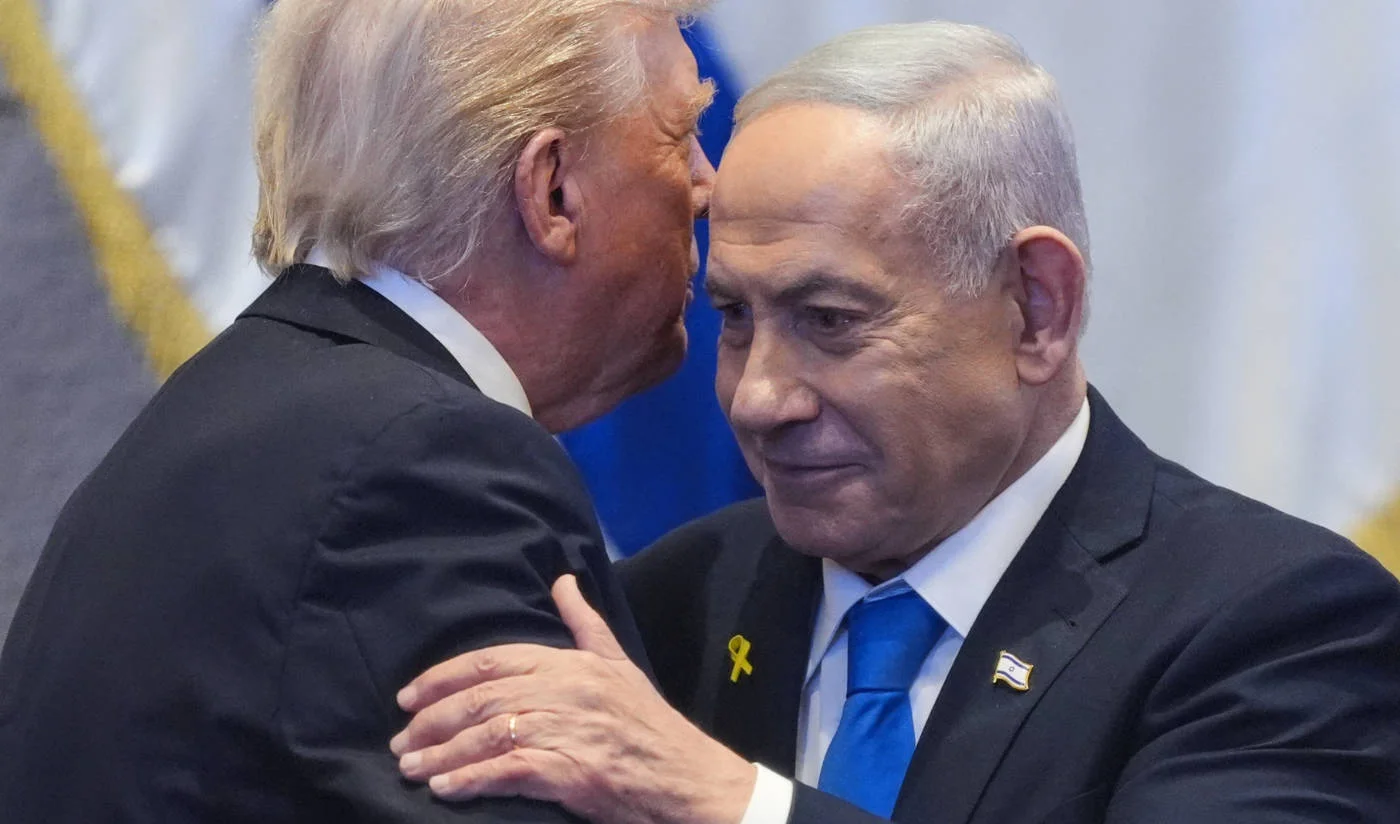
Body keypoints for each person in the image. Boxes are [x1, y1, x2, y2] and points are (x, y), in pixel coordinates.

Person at [386, 21, 1400, 824]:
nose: (757, 396)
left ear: (1035, 306)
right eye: (735, 317)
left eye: (830, 321)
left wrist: (738, 805)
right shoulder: (672, 603)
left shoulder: (1272, 622)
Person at [0, 0, 719, 821]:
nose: (709, 182)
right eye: (679, 133)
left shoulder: (255, 406)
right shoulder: (420, 473)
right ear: (552, 190)